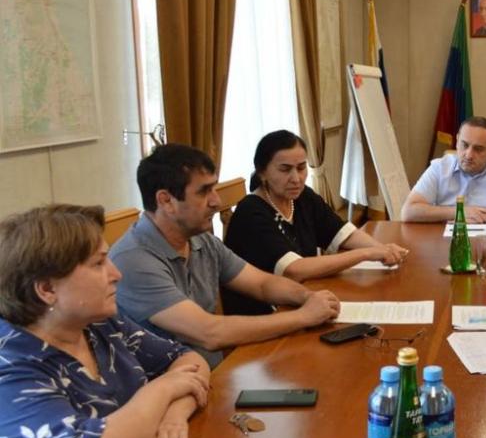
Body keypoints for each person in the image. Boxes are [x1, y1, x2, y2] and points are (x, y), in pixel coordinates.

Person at [0, 205, 211, 438]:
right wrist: (163, 389)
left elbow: (188, 359)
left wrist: (174, 416)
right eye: (98, 264)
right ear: (47, 289)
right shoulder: (10, 368)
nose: (116, 274)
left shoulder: (97, 323)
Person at [110, 144, 340, 369]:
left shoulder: (202, 240)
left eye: (214, 189)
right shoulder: (133, 261)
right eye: (204, 191)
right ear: (166, 201)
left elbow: (261, 284)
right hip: (169, 388)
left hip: (211, 376)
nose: (216, 201)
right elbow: (210, 333)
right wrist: (304, 316)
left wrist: (307, 297)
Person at [223, 130, 408, 315]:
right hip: (266, 314)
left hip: (303, 298)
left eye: (301, 168)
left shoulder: (302, 197)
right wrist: (366, 253)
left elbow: (342, 233)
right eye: (285, 169)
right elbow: (294, 270)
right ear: (262, 172)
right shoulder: (251, 212)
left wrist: (384, 250)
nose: (296, 179)